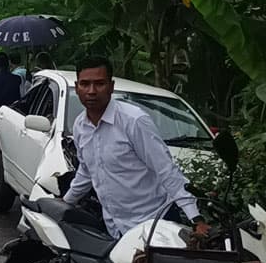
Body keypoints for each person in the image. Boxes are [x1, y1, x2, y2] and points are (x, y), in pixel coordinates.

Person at [62, 56, 210, 238]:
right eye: (85, 84)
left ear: (111, 86)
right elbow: (86, 171)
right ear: (77, 87)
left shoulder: (134, 121)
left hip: (155, 223)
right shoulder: (80, 126)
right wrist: (65, 203)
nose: (91, 91)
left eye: (99, 84)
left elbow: (166, 170)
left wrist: (196, 219)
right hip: (115, 227)